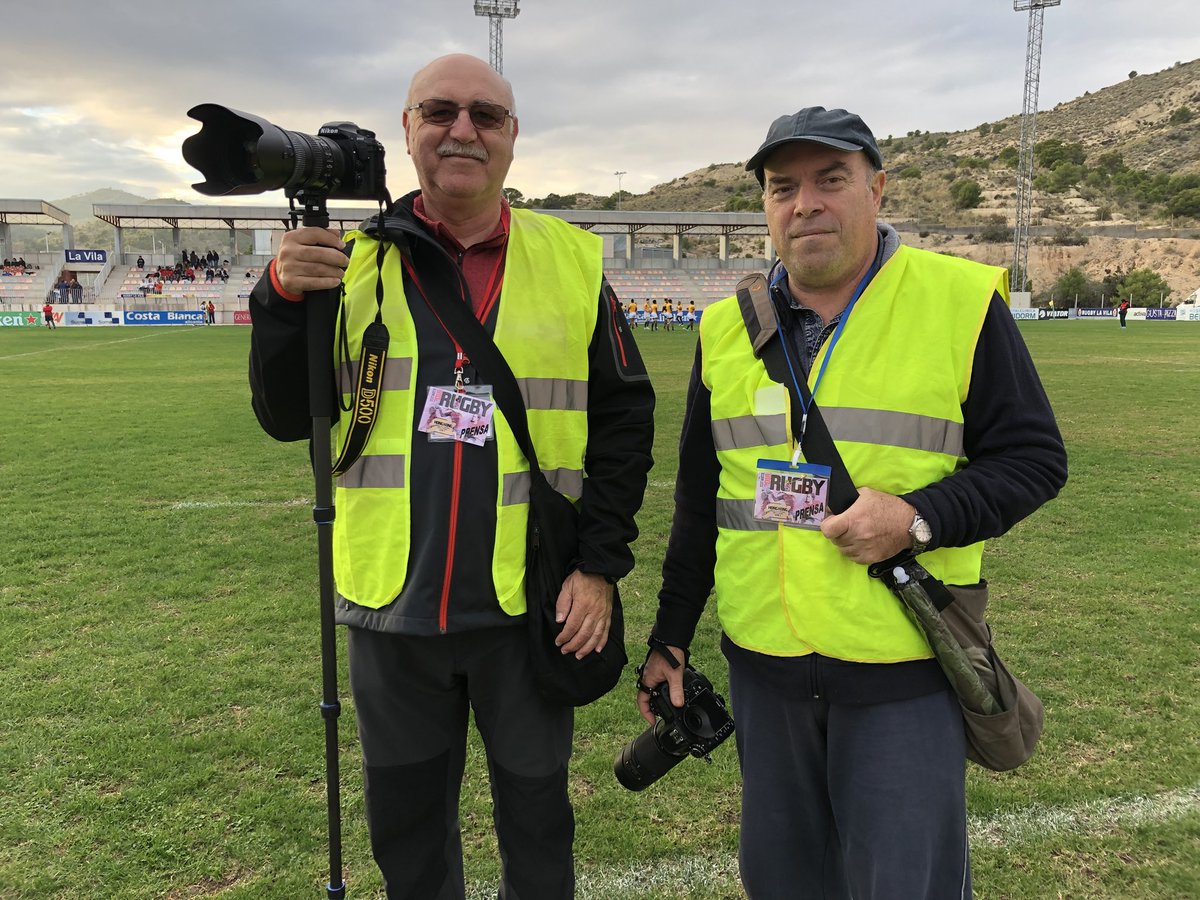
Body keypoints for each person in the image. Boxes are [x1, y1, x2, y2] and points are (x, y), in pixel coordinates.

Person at [248, 53, 654, 899]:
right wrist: (282, 302)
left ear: (512, 139)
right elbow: (289, 416)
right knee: (409, 837)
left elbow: (624, 424)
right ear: (407, 130)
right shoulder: (347, 261)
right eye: (439, 112)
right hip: (391, 604)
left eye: (486, 116)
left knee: (539, 828)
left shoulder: (576, 263)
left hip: (529, 603)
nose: (462, 130)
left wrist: (599, 566)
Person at [637, 107, 1067, 900]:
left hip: (901, 669)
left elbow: (1036, 459)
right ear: (766, 207)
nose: (806, 203)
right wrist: (669, 637)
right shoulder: (724, 328)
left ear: (876, 186)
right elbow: (702, 500)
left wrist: (914, 517)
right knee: (784, 883)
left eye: (830, 180)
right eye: (783, 187)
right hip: (764, 671)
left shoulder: (958, 300)